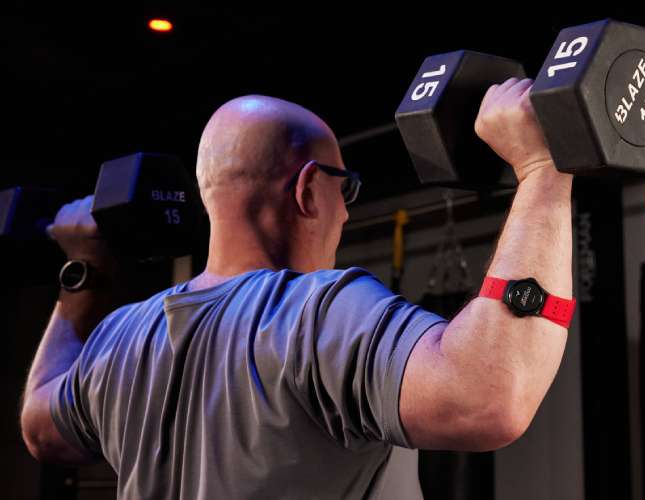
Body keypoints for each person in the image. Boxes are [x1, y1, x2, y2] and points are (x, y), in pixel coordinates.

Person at [20, 78, 575, 499]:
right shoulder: (319, 313)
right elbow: (490, 398)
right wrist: (543, 167)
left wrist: (83, 271)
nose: (346, 215)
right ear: (309, 190)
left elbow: (40, 429)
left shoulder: (120, 340)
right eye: (345, 188)